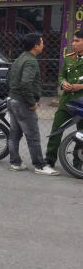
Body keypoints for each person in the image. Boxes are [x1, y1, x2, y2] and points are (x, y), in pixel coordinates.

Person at [7, 33, 59, 175]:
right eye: (42, 42)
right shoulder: (30, 61)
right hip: (23, 102)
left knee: (14, 134)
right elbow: (26, 83)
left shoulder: (20, 58)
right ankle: (40, 166)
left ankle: (15, 163)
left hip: (12, 99)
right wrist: (31, 103)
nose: (43, 45)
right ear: (36, 46)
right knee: (33, 136)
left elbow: (11, 78)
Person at [45, 29, 83, 167]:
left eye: (77, 41)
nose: (73, 43)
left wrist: (80, 86)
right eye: (73, 41)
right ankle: (49, 160)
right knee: (56, 130)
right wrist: (63, 83)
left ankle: (77, 162)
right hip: (67, 102)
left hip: (81, 102)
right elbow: (61, 76)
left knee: (81, 134)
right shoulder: (69, 58)